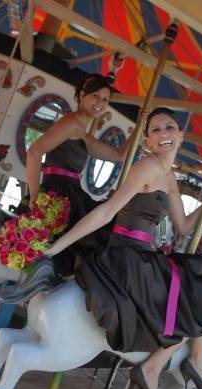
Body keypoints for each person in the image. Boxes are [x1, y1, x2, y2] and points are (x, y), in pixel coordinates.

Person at [45, 108, 202, 389]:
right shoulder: (147, 167)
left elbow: (183, 226)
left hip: (144, 254)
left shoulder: (168, 176)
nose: (163, 134)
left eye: (169, 127)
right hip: (127, 255)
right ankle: (164, 366)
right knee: (195, 287)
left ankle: (164, 365)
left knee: (199, 281)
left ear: (181, 136)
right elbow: (107, 211)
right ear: (148, 140)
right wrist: (59, 245)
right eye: (155, 130)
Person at [22, 73, 135, 276]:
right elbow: (34, 152)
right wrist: (34, 195)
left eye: (105, 100)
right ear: (82, 95)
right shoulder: (71, 124)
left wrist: (138, 130)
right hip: (60, 191)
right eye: (96, 96)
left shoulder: (82, 133)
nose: (100, 103)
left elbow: (118, 156)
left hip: (70, 192)